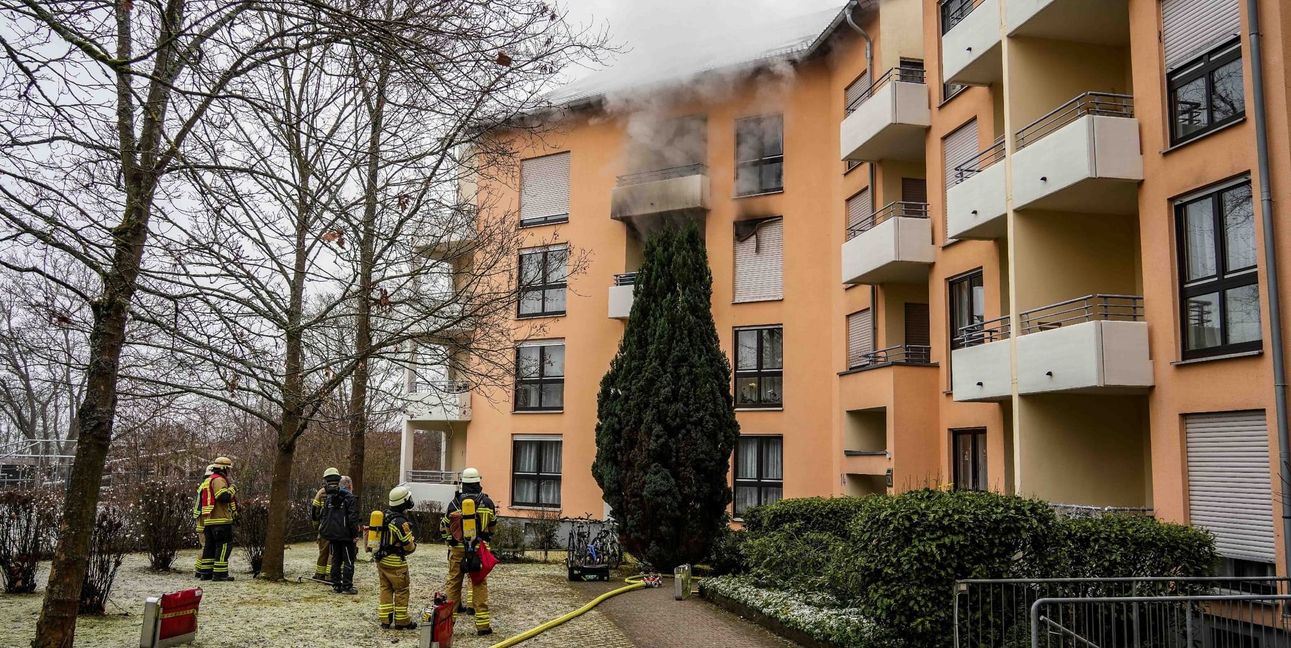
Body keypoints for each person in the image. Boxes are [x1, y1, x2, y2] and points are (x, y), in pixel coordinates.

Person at [440, 467, 497, 636]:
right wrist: (485, 537)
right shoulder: (487, 503)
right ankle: (483, 626)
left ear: (463, 484)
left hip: (457, 551)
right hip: (478, 549)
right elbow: (492, 527)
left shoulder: (454, 503)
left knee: (453, 585)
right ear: (478, 483)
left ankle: (449, 624)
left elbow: (444, 526)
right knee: (479, 584)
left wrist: (450, 541)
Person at [372, 486, 418, 630]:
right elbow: (408, 546)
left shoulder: (384, 516)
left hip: (381, 561)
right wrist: (413, 544)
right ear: (403, 502)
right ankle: (402, 620)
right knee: (401, 590)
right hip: (396, 563)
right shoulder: (400, 522)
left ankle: (385, 619)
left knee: (385, 588)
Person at [318, 472, 360, 594]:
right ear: (350, 486)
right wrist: (354, 534)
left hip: (332, 535)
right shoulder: (350, 498)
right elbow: (352, 518)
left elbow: (323, 515)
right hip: (346, 536)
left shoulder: (330, 498)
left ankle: (336, 584)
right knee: (348, 560)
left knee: (336, 560)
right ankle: (347, 585)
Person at [198, 456, 238, 581]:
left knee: (209, 547)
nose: (229, 472)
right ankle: (220, 574)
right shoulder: (219, 480)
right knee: (224, 546)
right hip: (221, 519)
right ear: (224, 468)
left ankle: (206, 573)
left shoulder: (208, 480)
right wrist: (233, 489)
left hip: (209, 521)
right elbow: (223, 497)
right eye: (228, 469)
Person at [309, 467, 341, 582]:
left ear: (325, 479)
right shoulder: (342, 492)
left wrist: (316, 526)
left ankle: (319, 574)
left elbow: (314, 511)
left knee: (323, 551)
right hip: (339, 528)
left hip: (325, 528)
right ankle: (331, 575)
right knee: (335, 552)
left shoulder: (321, 492)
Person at [192, 464, 215, 578]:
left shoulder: (203, 485)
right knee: (205, 545)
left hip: (200, 517)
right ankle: (201, 570)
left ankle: (200, 569)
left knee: (205, 545)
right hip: (203, 519)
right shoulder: (207, 485)